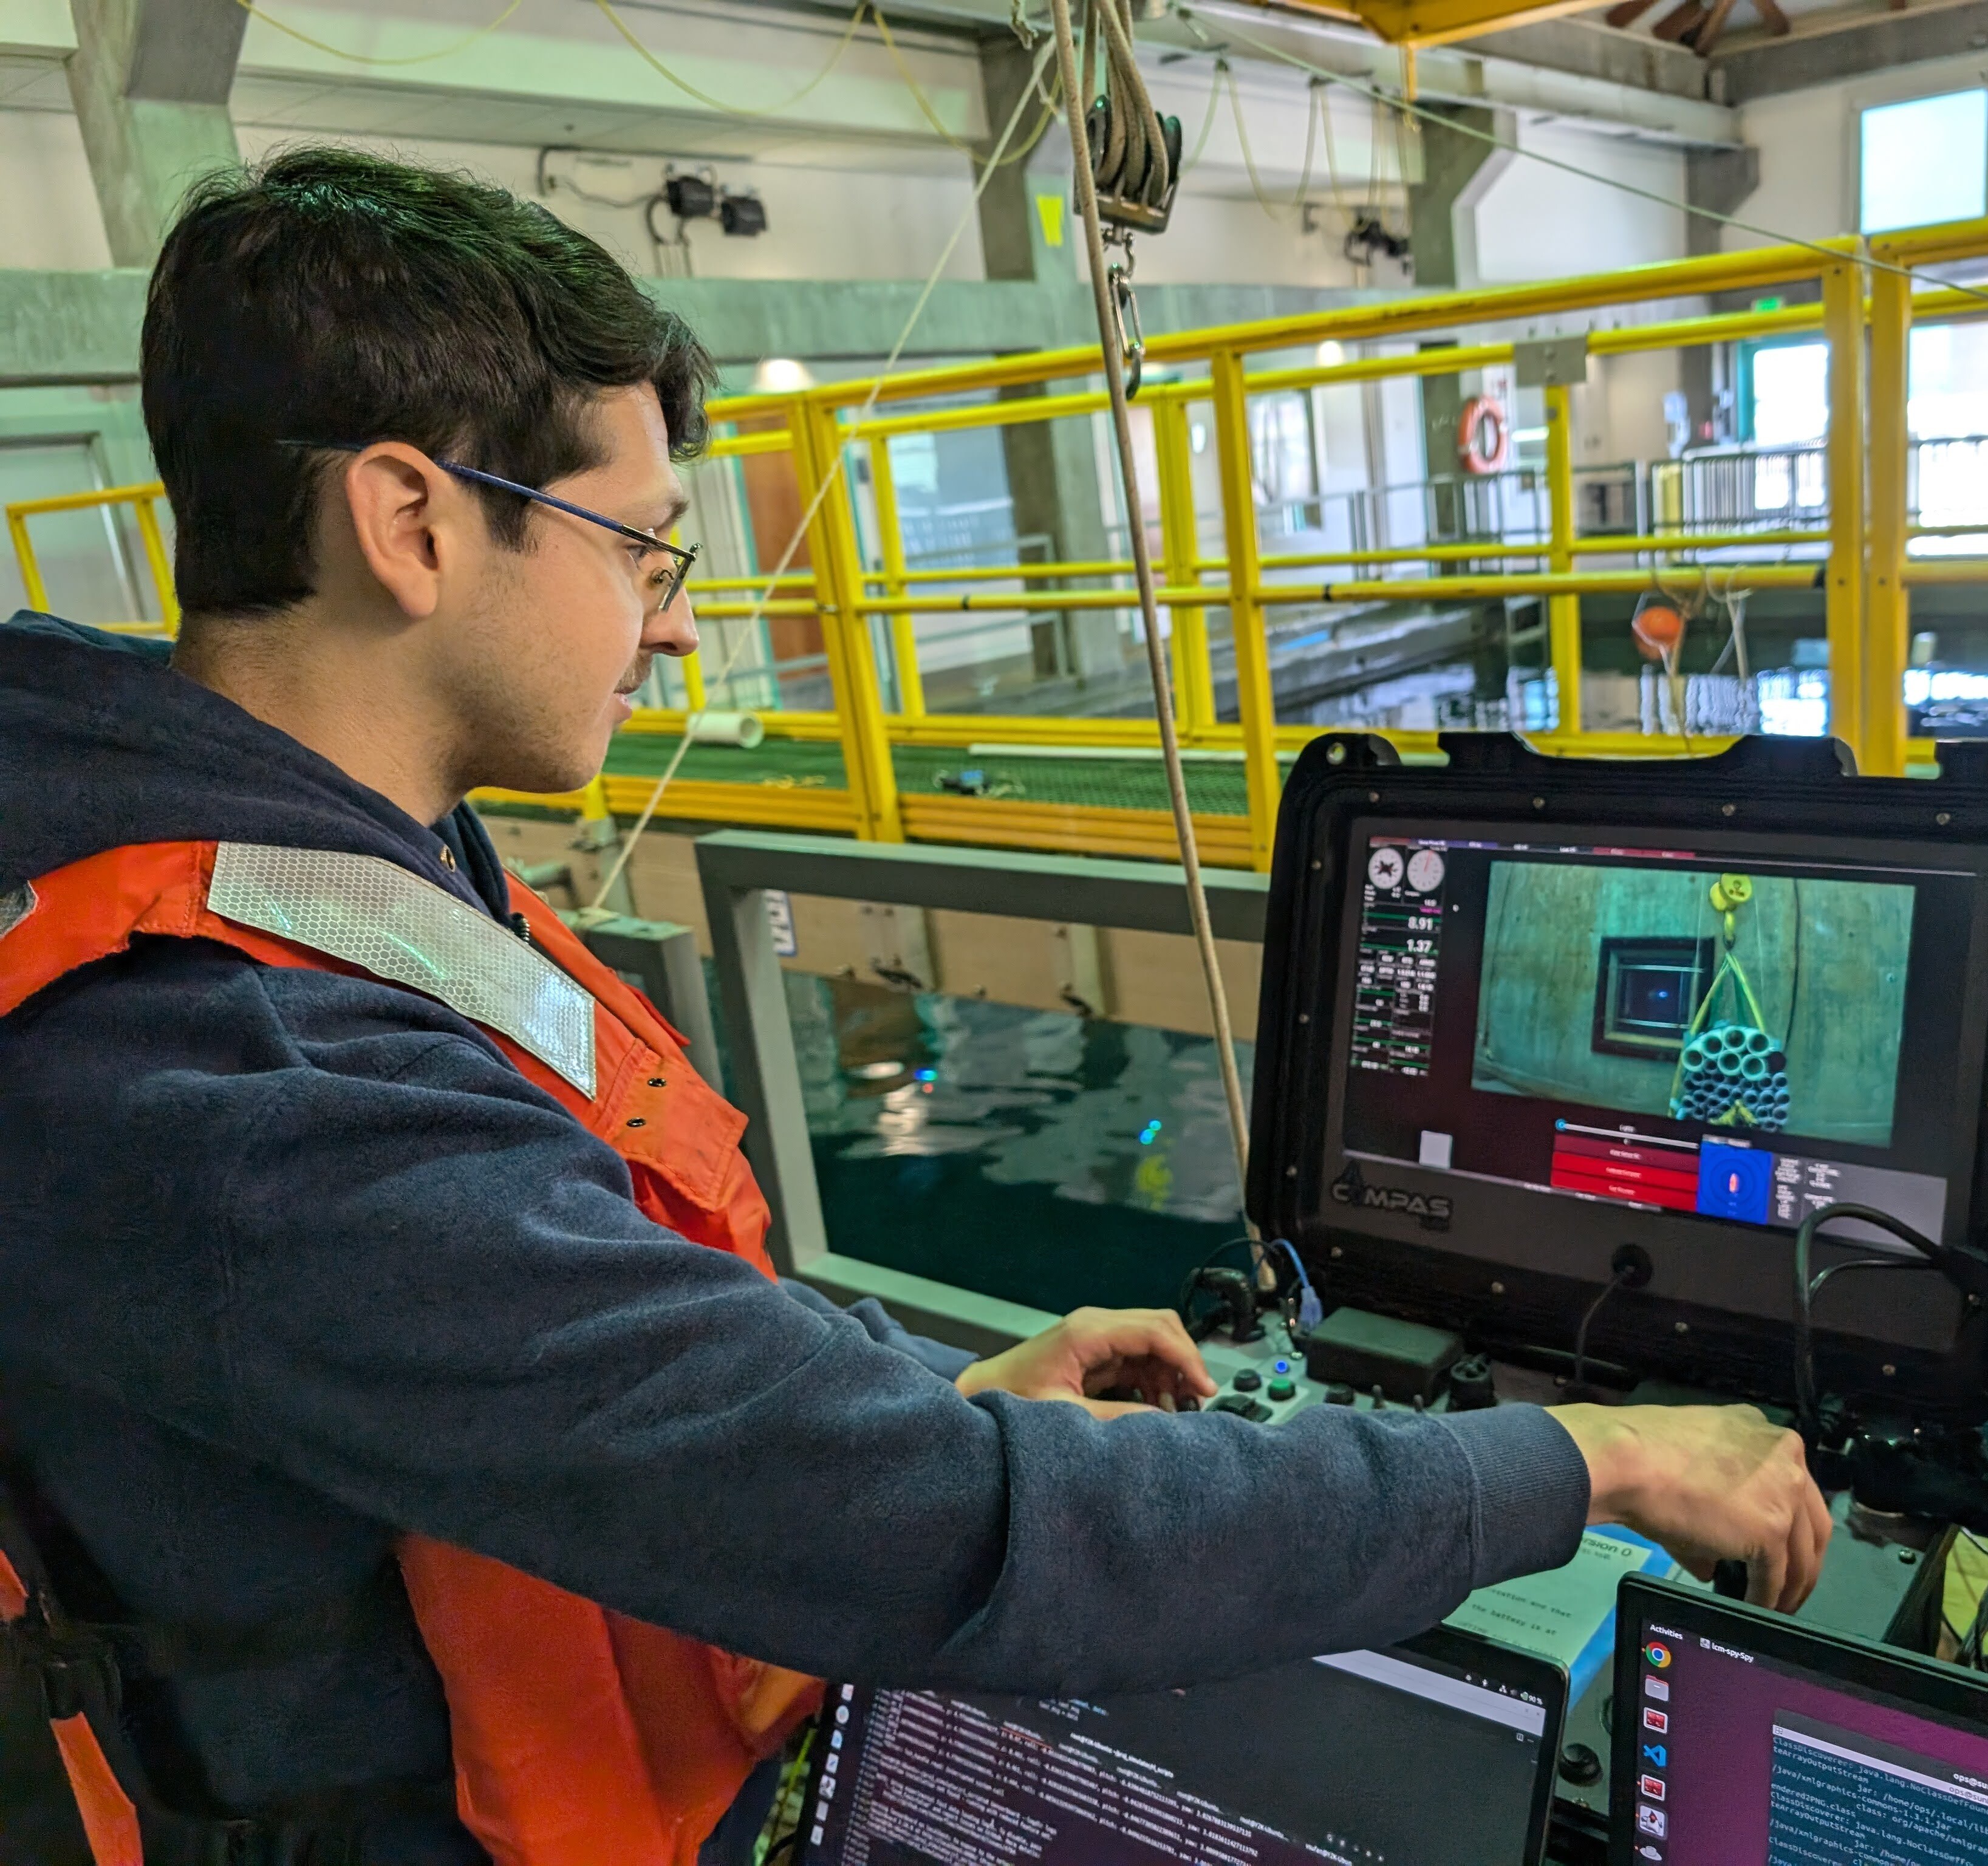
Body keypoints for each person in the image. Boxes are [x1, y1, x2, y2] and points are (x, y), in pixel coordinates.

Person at [0, 148, 1832, 1866]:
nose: (677, 627)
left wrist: (904, 1394)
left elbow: (570, 1327)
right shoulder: (232, 1078)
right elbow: (976, 1543)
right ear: (410, 522)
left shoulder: (319, 869)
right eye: (644, 548)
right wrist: (1592, 1459)